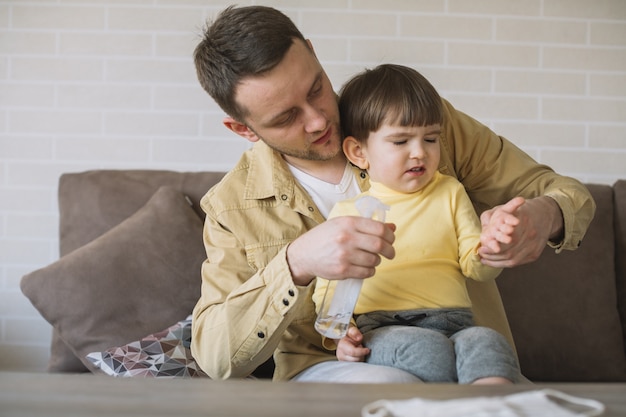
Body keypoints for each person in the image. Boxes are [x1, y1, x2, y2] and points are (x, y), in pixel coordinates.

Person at [190, 5, 595, 382]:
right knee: (395, 382)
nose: (317, 120)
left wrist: (544, 216)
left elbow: (562, 191)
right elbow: (215, 356)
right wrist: (296, 263)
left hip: (468, 358)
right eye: (286, 117)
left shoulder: (417, 125)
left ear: (312, 53)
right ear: (243, 129)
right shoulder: (231, 208)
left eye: (315, 88)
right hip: (331, 369)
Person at [312, 64, 520, 384]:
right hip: (382, 327)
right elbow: (330, 284)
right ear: (358, 151)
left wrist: (492, 248)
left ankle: (490, 407)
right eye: (400, 142)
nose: (419, 153)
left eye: (431, 138)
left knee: (489, 343)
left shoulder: (450, 192)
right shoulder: (348, 211)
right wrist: (340, 334)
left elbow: (474, 265)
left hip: (456, 321)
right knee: (428, 350)